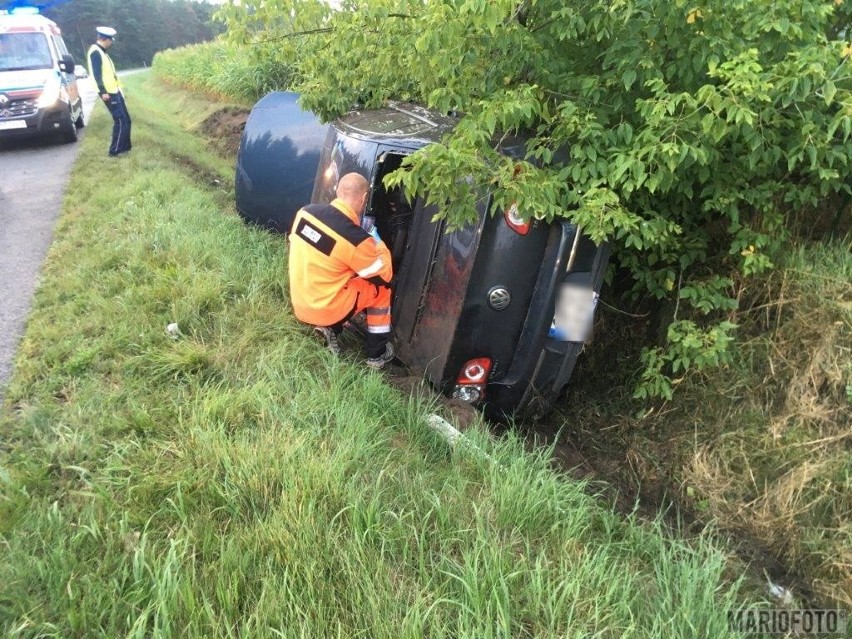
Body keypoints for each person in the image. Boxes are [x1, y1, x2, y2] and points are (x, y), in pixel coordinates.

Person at [288, 172, 395, 368]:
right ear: (364, 199)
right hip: (325, 309)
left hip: (300, 303)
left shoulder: (305, 213)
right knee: (381, 290)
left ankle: (329, 328)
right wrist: (376, 242)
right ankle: (377, 354)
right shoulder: (355, 239)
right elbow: (384, 274)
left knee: (339, 271)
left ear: (338, 191)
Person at [87, 26, 131, 157]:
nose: (111, 43)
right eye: (111, 40)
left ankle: (125, 148)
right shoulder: (95, 52)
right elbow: (97, 74)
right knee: (120, 121)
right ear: (105, 39)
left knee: (127, 120)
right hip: (109, 93)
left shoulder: (102, 52)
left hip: (114, 91)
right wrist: (102, 92)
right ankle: (115, 151)